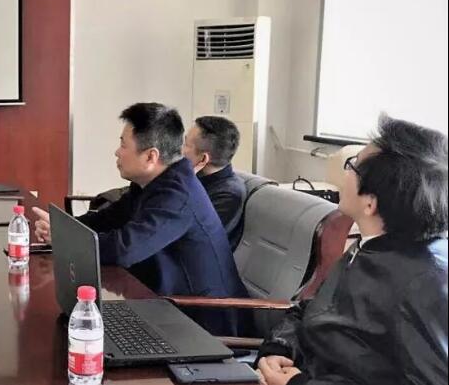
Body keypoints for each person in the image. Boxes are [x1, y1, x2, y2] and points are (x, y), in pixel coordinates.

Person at [257, 115, 448, 385]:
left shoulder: (425, 281)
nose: (345, 173)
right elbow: (311, 309)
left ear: (370, 203)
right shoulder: (371, 246)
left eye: (352, 166)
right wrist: (280, 348)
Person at [33, 103, 247, 332]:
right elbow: (108, 218)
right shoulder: (152, 183)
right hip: (162, 304)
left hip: (203, 322)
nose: (117, 152)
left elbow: (125, 249)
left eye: (123, 145)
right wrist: (63, 228)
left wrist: (65, 239)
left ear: (150, 156)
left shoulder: (178, 195)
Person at [182, 116, 247, 250]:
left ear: (203, 159)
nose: (180, 150)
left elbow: (189, 237)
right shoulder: (196, 177)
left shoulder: (229, 194)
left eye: (186, 145)